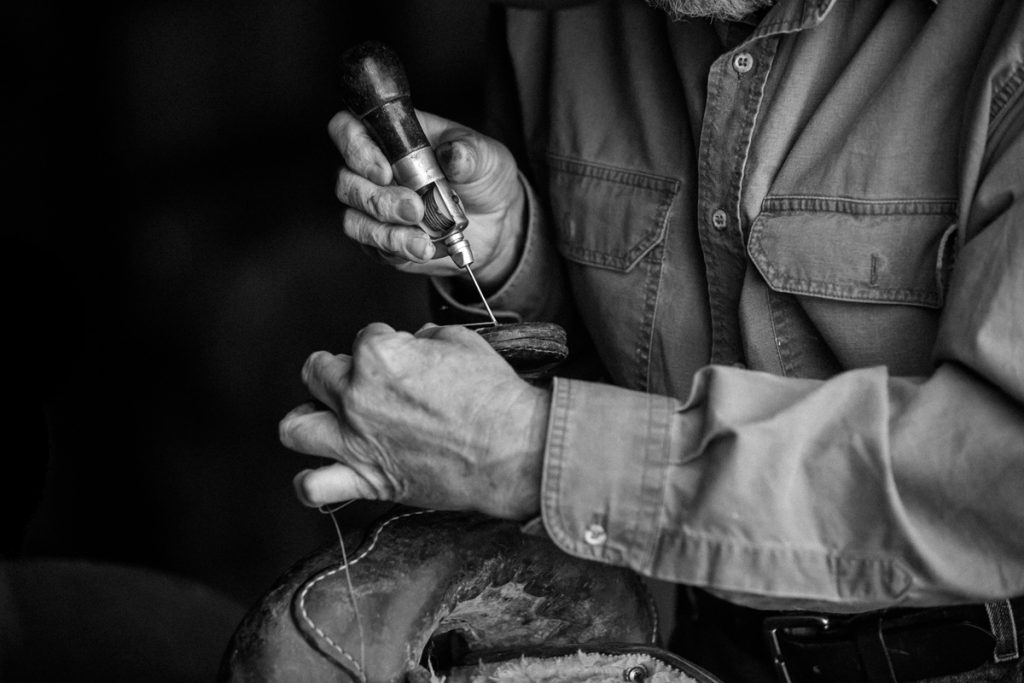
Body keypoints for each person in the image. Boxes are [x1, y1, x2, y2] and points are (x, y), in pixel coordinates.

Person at [279, 0, 1024, 679]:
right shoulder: (550, 20)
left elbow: (996, 480)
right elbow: (617, 360)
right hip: (701, 652)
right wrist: (515, 259)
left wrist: (532, 453)